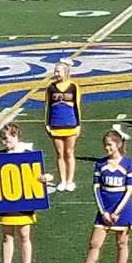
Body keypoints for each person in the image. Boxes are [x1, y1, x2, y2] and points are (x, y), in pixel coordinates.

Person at [73, 130, 132, 263]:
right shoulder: (100, 164)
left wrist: (117, 212)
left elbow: (129, 190)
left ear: (118, 144)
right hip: (104, 210)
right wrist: (103, 212)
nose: (107, 148)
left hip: (122, 210)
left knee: (122, 242)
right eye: (105, 145)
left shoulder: (128, 164)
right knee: (95, 243)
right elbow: (96, 189)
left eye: (110, 145)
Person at [0, 124, 51, 263]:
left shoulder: (28, 155)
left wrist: (44, 178)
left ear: (16, 136)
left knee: (25, 237)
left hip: (24, 203)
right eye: (2, 140)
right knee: (7, 237)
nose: (5, 143)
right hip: (6, 203)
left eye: (7, 139)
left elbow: (37, 175)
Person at [45, 61, 80, 191]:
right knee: (60, 153)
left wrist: (78, 124)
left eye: (58, 71)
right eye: (55, 71)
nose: (56, 74)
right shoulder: (50, 88)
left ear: (66, 72)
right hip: (56, 124)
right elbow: (47, 107)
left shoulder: (73, 86)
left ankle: (70, 180)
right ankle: (63, 180)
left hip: (70, 124)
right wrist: (47, 124)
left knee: (69, 152)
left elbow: (77, 106)